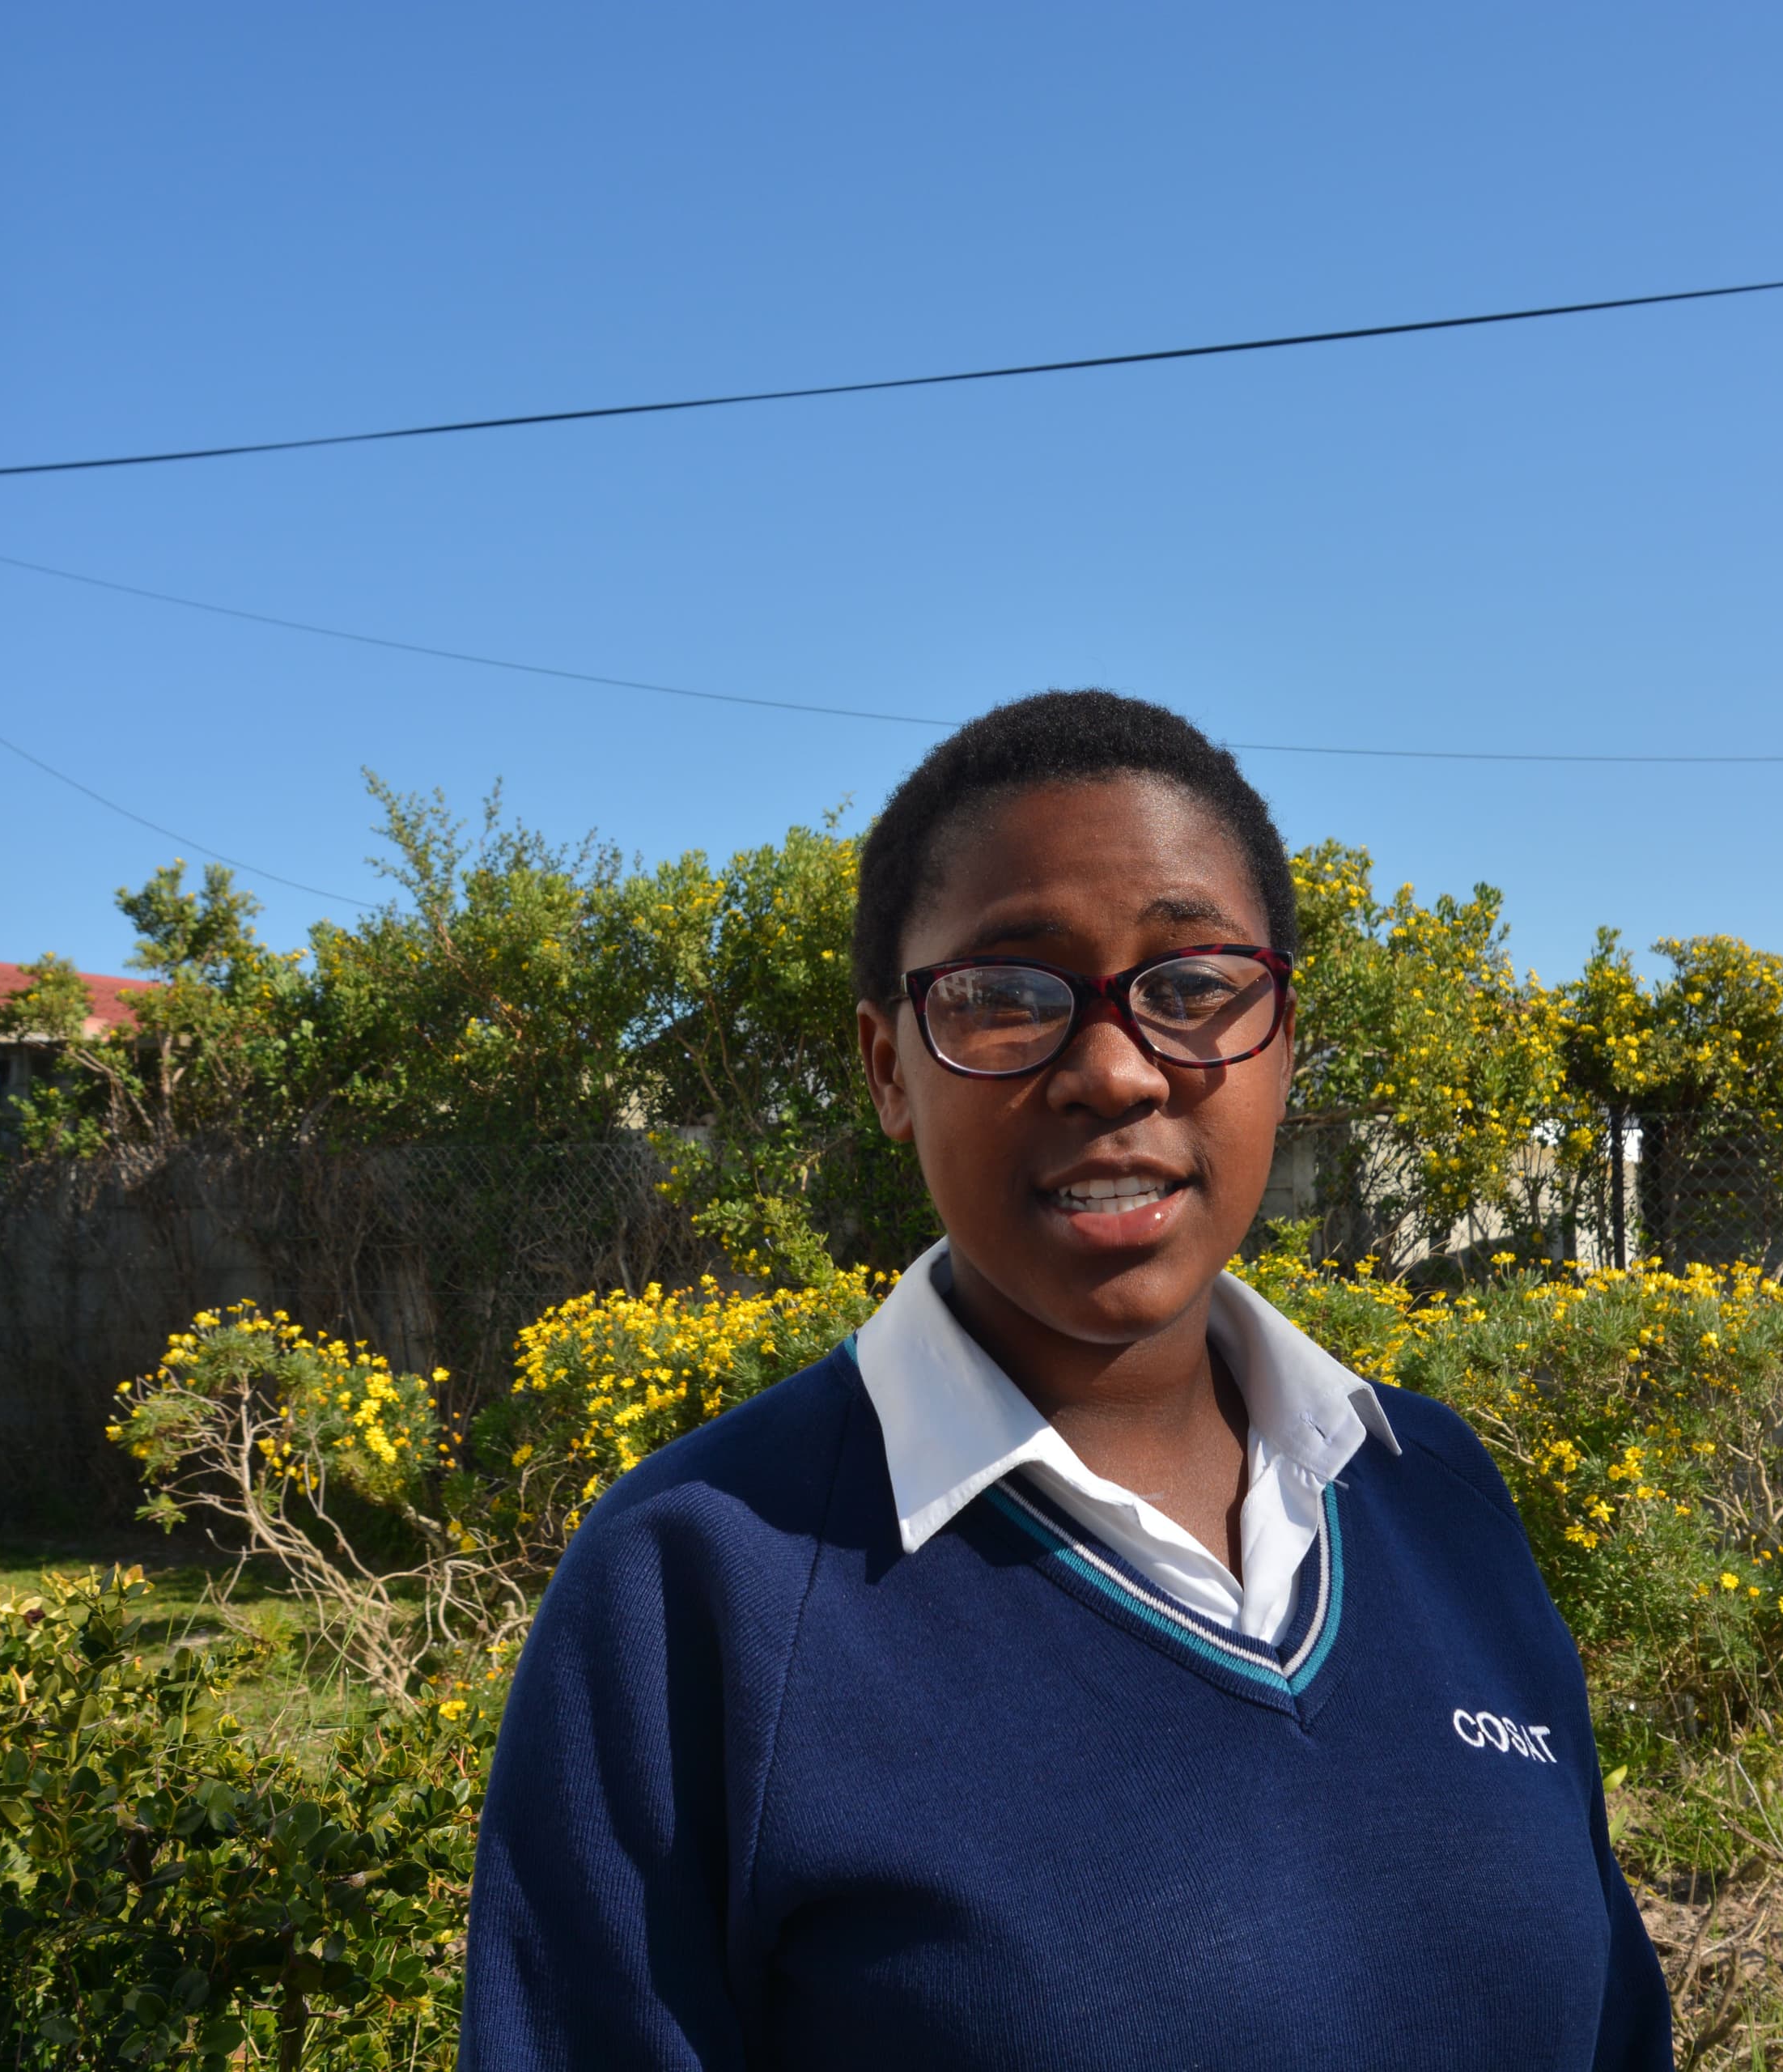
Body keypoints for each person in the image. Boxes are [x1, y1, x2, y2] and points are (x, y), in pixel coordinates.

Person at [463, 690, 1672, 2070]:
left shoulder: (1429, 1491)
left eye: (1196, 985)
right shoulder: (698, 1590)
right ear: (889, 1070)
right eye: (1001, 996)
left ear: (1283, 1035)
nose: (1113, 1070)